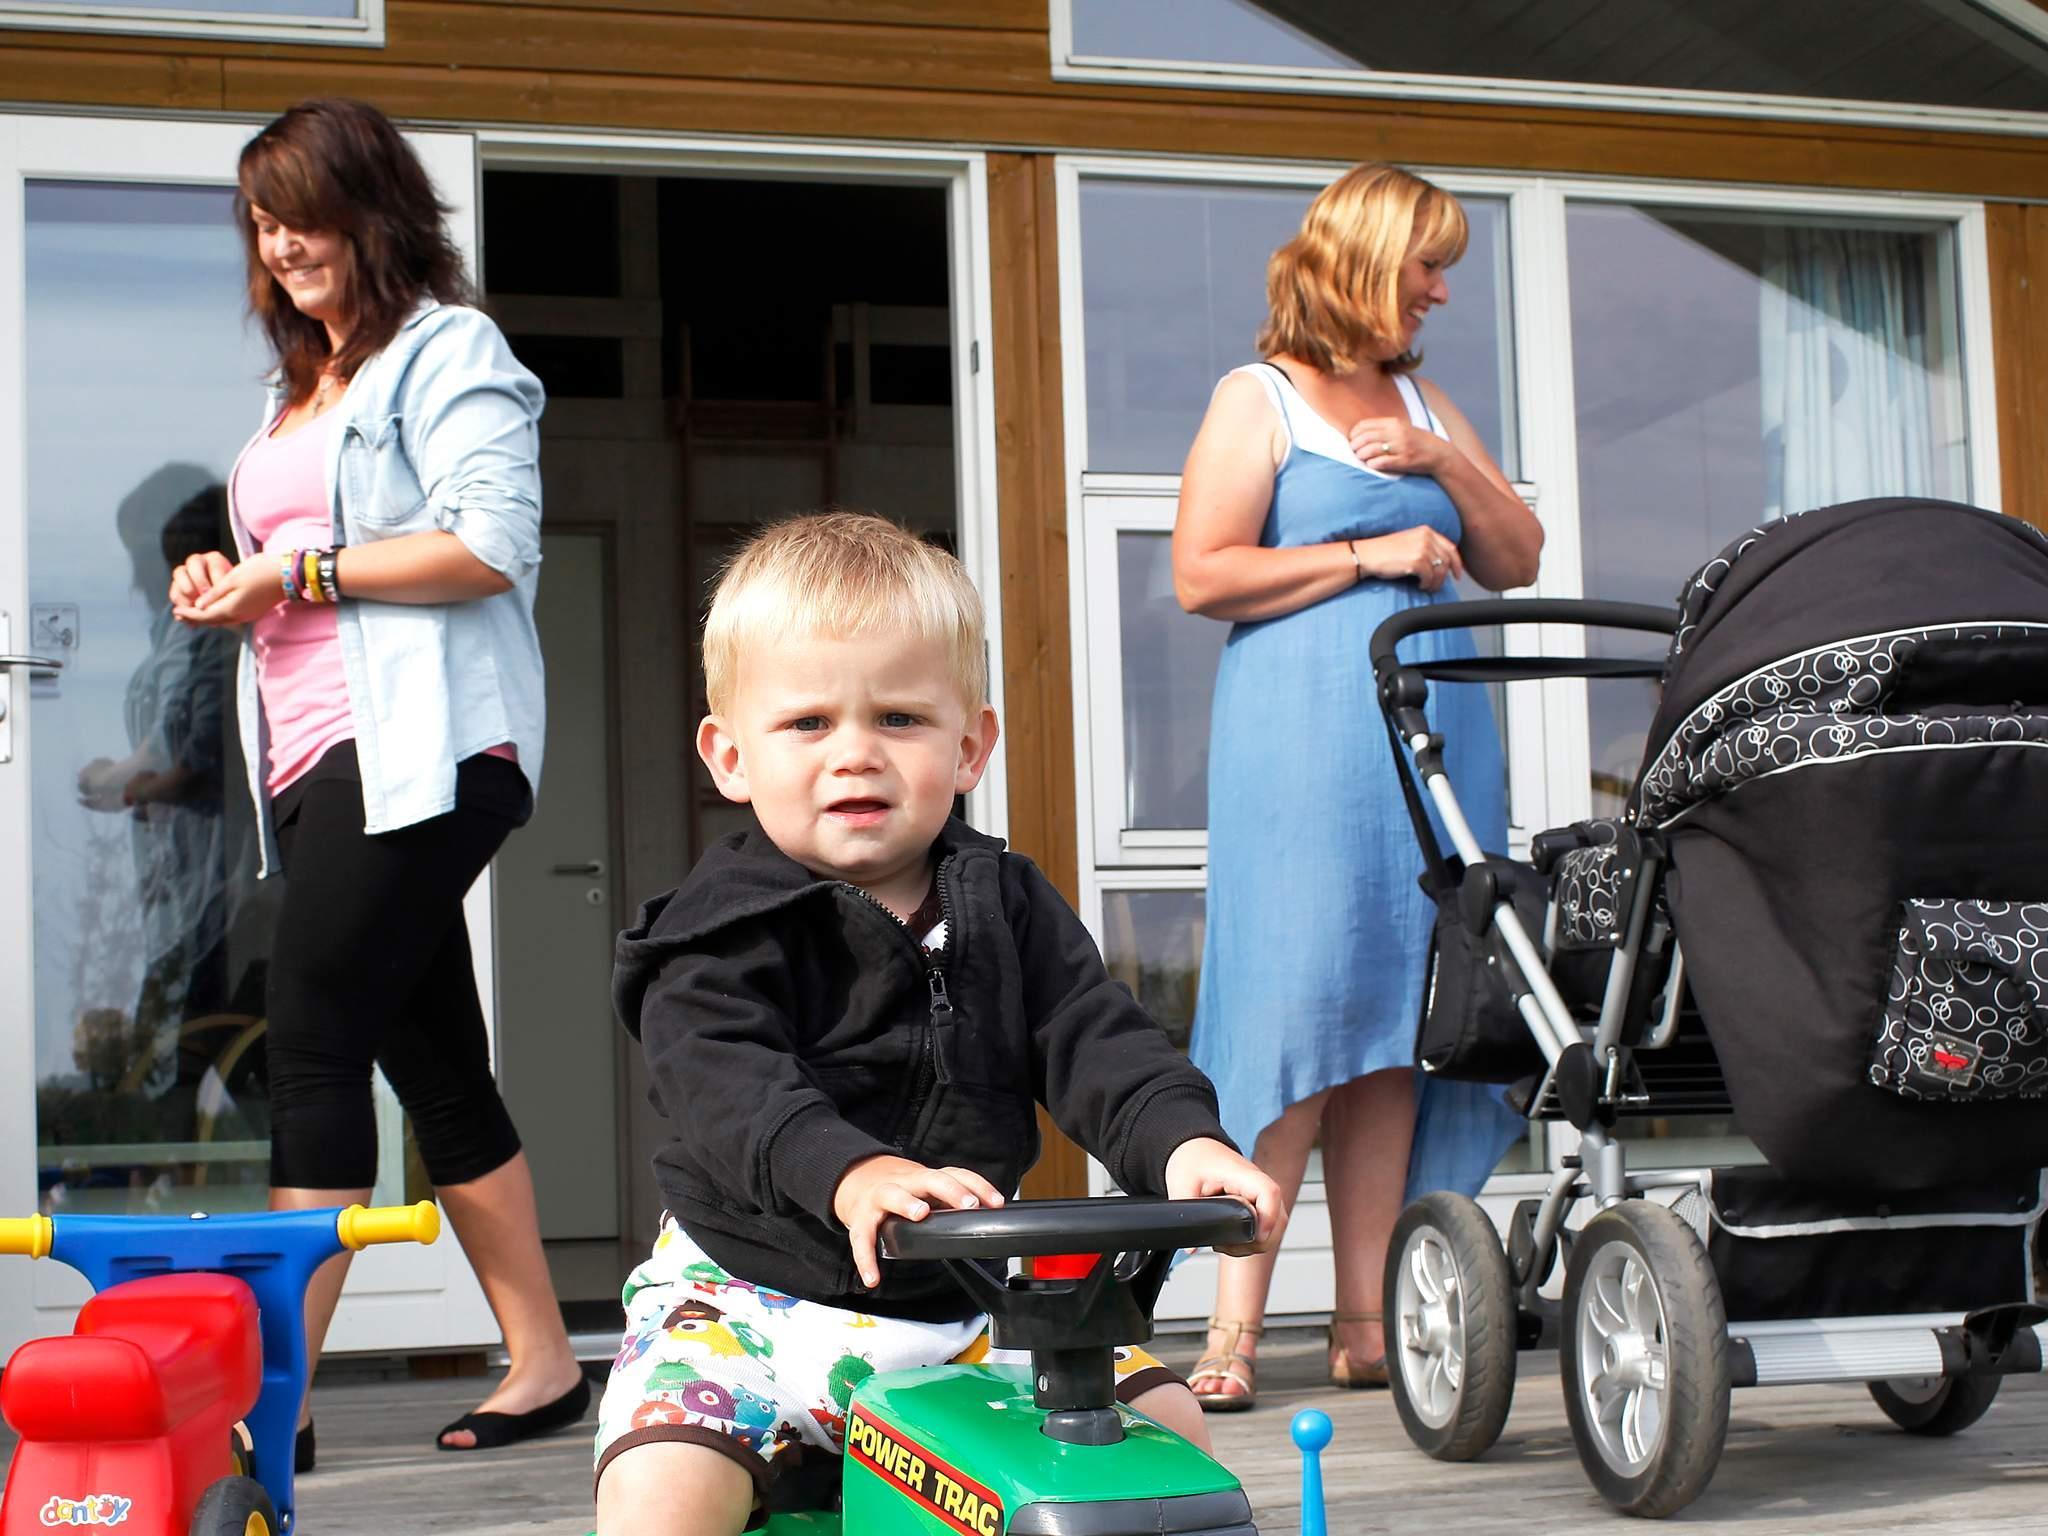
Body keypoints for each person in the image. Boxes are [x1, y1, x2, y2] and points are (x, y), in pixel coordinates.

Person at [596, 512, 1285, 1536]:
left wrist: (1182, 1142)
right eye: (808, 723)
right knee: (662, 1491)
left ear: (969, 747)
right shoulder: (715, 934)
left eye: (899, 719)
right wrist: (849, 1171)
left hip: (974, 1308)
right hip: (749, 1305)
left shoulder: (1005, 905)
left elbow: (1097, 1037)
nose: (855, 755)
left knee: (1169, 1430)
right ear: (730, 756)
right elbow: (727, 1091)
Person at [167, 97, 583, 1461]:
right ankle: (545, 1365)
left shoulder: (447, 351)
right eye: (262, 223)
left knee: (312, 1037)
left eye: (303, 217)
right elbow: (288, 561)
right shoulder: (299, 387)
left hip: (424, 747)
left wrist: (296, 572)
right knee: (437, 1066)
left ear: (373, 210)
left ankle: (267, 1404)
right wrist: (227, 576)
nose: (281, 246)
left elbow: (490, 544)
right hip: (310, 760)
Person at [1172, 163, 1542, 1410]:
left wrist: (1443, 459)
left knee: (1396, 1020)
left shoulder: (1424, 400)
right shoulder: (1259, 397)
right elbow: (1200, 573)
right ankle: (1229, 1330)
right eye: (1425, 266)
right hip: (1301, 743)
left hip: (1434, 742)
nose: (1439, 291)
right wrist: (1366, 551)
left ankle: (1365, 1323)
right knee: (1297, 1010)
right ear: (1364, 260)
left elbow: (1514, 556)